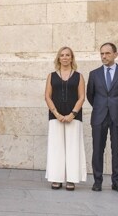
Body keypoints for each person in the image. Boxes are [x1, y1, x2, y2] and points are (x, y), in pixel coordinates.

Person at [87, 42, 118, 193]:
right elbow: (90, 95)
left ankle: (117, 182)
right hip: (99, 116)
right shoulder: (94, 74)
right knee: (98, 149)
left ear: (115, 54)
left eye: (107, 53)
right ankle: (97, 181)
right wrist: (101, 106)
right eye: (102, 53)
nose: (104, 56)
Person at [44, 47, 87, 190]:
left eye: (67, 55)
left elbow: (82, 97)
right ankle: (56, 178)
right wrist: (56, 114)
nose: (65, 57)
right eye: (62, 55)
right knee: (56, 147)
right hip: (55, 116)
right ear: (58, 58)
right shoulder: (51, 75)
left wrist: (72, 114)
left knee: (73, 148)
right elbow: (47, 96)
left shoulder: (79, 76)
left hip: (73, 117)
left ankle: (71, 179)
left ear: (72, 58)